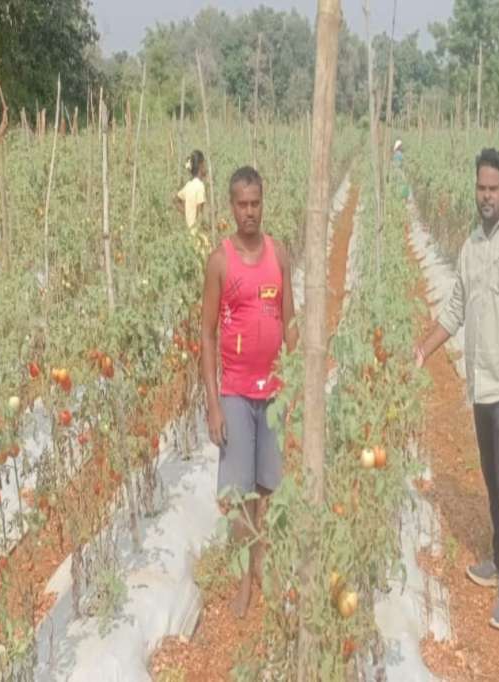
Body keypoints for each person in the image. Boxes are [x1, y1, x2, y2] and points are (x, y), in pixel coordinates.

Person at [414, 148, 499, 631]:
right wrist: (422, 350)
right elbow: (454, 309)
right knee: (492, 477)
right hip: (481, 384)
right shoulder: (470, 247)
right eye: (480, 188)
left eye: (493, 188)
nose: (486, 196)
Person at [200, 166, 298, 618]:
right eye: (242, 204)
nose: (250, 212)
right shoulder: (220, 262)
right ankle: (244, 579)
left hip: (273, 390)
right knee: (240, 494)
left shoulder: (279, 254)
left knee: (267, 485)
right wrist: (213, 404)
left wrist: (296, 380)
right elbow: (206, 334)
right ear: (231, 206)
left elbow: (289, 320)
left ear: (263, 202)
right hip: (236, 390)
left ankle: (262, 562)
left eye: (256, 203)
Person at [175, 150, 207, 228]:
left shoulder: (188, 185)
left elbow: (175, 200)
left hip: (189, 231)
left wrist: (187, 214)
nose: (206, 168)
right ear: (201, 166)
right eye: (204, 164)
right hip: (196, 232)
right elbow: (200, 214)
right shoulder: (200, 186)